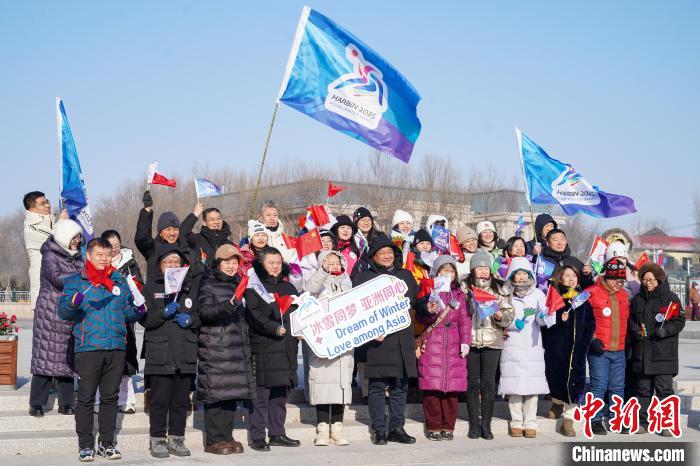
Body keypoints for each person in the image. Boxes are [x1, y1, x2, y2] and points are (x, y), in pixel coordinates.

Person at [57, 237, 145, 462]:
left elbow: (127, 313)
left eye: (108, 255)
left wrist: (138, 310)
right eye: (100, 255)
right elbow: (63, 312)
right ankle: (85, 445)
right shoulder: (76, 281)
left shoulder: (119, 281)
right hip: (88, 348)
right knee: (86, 398)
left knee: (110, 398)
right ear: (88, 256)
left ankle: (107, 443)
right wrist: (72, 303)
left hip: (116, 347)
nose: (104, 259)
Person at [352, 235, 418, 446]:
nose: (387, 256)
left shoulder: (405, 275)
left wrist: (428, 306)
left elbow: (416, 301)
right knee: (377, 387)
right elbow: (356, 310)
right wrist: (370, 331)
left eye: (390, 252)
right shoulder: (364, 278)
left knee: (400, 387)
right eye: (382, 253)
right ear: (373, 256)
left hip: (402, 339)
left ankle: (397, 427)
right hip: (377, 342)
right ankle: (379, 429)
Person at [141, 244, 201, 458]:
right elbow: (144, 319)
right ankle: (157, 439)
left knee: (180, 401)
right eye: (168, 262)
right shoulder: (150, 288)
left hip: (185, 353)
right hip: (161, 353)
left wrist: (191, 319)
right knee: (159, 400)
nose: (173, 265)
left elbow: (201, 316)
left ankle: (177, 438)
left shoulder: (190, 288)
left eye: (177, 262)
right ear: (160, 265)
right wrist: (163, 313)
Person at [197, 244, 255, 454]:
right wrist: (228, 305)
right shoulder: (208, 282)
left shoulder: (239, 283)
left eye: (235, 262)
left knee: (231, 394)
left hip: (236, 349)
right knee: (216, 396)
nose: (231, 266)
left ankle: (227, 436)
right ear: (218, 263)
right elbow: (205, 312)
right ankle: (214, 440)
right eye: (227, 262)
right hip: (216, 348)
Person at [245, 247, 301, 451]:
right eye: (271, 262)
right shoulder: (254, 287)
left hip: (287, 348)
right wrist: (273, 328)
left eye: (278, 262)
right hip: (264, 346)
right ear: (261, 264)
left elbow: (299, 314)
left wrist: (302, 330)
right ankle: (258, 436)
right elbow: (253, 314)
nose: (275, 266)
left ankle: (277, 433)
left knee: (280, 395)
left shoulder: (289, 287)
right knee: (261, 395)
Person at [29, 219, 83, 418]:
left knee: (66, 360)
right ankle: (36, 403)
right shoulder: (49, 255)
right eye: (74, 237)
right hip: (50, 313)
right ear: (64, 237)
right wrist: (81, 277)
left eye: (79, 238)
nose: (77, 241)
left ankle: (67, 403)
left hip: (69, 312)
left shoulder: (78, 257)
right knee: (44, 359)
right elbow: (56, 278)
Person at [416, 256, 471, 441]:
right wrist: (428, 310)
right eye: (444, 270)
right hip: (433, 342)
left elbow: (464, 319)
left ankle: (448, 425)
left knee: (452, 389)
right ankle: (433, 425)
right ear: (436, 273)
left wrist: (465, 341)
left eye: (451, 270)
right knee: (432, 387)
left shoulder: (459, 294)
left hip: (454, 343)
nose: (448, 273)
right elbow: (420, 316)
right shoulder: (429, 290)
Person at [629, 263, 686, 436]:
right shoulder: (637, 299)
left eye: (651, 280)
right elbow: (630, 320)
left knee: (664, 391)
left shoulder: (671, 299)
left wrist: (666, 331)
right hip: (642, 354)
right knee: (642, 391)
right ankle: (642, 423)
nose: (648, 283)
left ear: (659, 279)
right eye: (644, 280)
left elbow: (679, 321)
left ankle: (667, 424)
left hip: (663, 355)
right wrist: (635, 330)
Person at [464, 250, 513, 440]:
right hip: (470, 341)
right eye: (479, 268)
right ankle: (474, 425)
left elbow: (509, 313)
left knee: (488, 383)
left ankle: (486, 424)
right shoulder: (465, 288)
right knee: (472, 383)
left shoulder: (500, 288)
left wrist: (501, 316)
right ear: (472, 270)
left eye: (486, 267)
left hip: (493, 340)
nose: (483, 271)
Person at [305, 250, 354, 447]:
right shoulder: (316, 282)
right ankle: (323, 428)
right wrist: (323, 272)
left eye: (337, 262)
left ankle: (337, 428)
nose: (333, 265)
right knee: (322, 385)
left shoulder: (348, 283)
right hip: (322, 343)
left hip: (344, 344)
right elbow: (309, 291)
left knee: (341, 386)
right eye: (328, 261)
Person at [541, 265, 596, 437]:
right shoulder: (554, 298)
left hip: (577, 350)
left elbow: (590, 324)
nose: (571, 279)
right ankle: (557, 403)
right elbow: (544, 323)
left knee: (576, 382)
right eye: (567, 275)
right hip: (556, 349)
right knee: (556, 377)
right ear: (561, 278)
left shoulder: (583, 300)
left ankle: (569, 418)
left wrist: (584, 342)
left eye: (574, 276)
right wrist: (559, 318)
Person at [499, 257, 549, 439]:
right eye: (517, 274)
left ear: (530, 275)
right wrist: (514, 324)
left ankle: (530, 422)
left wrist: (543, 316)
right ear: (512, 276)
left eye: (524, 273)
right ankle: (516, 422)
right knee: (514, 386)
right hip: (512, 344)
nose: (521, 277)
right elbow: (501, 318)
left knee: (531, 386)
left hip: (532, 345)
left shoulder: (538, 294)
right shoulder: (506, 294)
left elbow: (544, 318)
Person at [97, 230, 144, 414]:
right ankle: (99, 399)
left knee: (126, 358)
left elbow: (139, 286)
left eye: (117, 244)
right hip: (103, 317)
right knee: (102, 360)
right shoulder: (98, 264)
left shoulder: (129, 262)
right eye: (111, 245)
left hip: (125, 316)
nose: (115, 248)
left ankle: (126, 400)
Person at [585, 257, 630, 435]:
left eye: (622, 280)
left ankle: (616, 418)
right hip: (599, 350)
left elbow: (626, 320)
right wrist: (592, 339)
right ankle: (595, 420)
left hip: (619, 350)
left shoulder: (624, 295)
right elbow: (582, 321)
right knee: (599, 385)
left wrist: (628, 343)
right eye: (616, 279)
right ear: (607, 277)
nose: (620, 283)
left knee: (618, 387)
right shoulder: (591, 293)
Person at [23, 191, 67, 308]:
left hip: (57, 278)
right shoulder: (31, 227)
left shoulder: (51, 221)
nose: (47, 205)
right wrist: (62, 221)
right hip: (43, 283)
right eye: (42, 204)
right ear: (32, 209)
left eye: (47, 202)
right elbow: (56, 240)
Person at [181, 203, 234, 269]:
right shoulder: (196, 240)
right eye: (212, 219)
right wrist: (195, 214)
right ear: (204, 222)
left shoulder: (229, 244)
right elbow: (182, 233)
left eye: (218, 218)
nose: (216, 222)